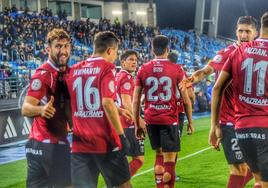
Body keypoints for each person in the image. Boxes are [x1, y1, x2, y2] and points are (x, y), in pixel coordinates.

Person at [180, 16, 257, 188]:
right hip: (231, 120)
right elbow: (205, 71)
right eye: (240, 31)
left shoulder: (259, 54)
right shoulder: (227, 53)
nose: (243, 35)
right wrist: (192, 79)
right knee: (239, 169)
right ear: (236, 32)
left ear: (255, 33)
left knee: (258, 166)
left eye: (247, 31)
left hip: (253, 118)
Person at [66, 31, 132, 188]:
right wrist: (122, 136)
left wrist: (118, 109)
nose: (115, 56)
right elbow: (107, 103)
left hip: (80, 143)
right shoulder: (107, 67)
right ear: (110, 50)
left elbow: (71, 102)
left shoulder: (74, 69)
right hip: (106, 142)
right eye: (116, 52)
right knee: (124, 186)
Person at [211, 12, 268, 188]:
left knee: (258, 181)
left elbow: (217, 87)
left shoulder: (239, 51)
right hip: (265, 127)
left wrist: (214, 126)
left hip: (242, 129)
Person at [133, 35, 192, 188]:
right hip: (169, 119)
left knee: (158, 156)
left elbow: (136, 100)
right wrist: (190, 122)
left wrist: (137, 124)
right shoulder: (177, 69)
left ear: (152, 49)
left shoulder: (143, 69)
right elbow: (186, 99)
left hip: (151, 119)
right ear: (167, 49)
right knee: (170, 161)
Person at [21, 28, 72, 187]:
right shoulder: (43, 74)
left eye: (66, 46)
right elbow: (26, 108)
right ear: (48, 49)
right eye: (58, 46)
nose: (63, 51)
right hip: (46, 144)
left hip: (49, 143)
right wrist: (41, 110)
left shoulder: (66, 72)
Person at [115, 50, 145, 176]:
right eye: (131, 59)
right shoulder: (126, 77)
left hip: (119, 122)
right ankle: (120, 183)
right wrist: (138, 120)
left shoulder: (118, 76)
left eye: (135, 60)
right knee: (138, 159)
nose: (134, 62)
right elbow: (127, 103)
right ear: (122, 62)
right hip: (129, 123)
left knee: (123, 158)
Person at [167, 51, 194, 136]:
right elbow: (191, 95)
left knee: (160, 146)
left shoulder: (159, 71)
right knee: (174, 144)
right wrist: (191, 106)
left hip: (160, 111)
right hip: (178, 110)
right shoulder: (181, 72)